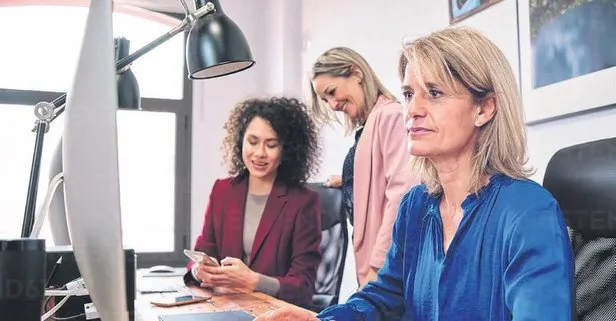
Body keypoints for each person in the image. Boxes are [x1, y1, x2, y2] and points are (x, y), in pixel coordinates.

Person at [255, 27, 574, 320]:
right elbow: (383, 299)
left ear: (484, 108)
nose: (412, 110)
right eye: (409, 94)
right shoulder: (415, 206)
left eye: (434, 93)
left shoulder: (529, 211)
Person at [185, 97, 323, 308]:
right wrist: (198, 270)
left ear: (286, 150)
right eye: (252, 141)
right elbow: (204, 251)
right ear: (241, 141)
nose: (259, 153)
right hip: (224, 309)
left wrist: (254, 281)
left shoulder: (303, 202)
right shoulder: (222, 191)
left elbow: (303, 286)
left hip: (274, 313)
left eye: (271, 145)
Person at [310, 47, 418, 287]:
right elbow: (380, 173)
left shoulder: (389, 116)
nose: (332, 105)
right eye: (325, 100)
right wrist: (348, 178)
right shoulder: (372, 123)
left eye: (331, 92)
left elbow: (402, 194)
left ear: (356, 73)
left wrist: (377, 266)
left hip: (384, 268)